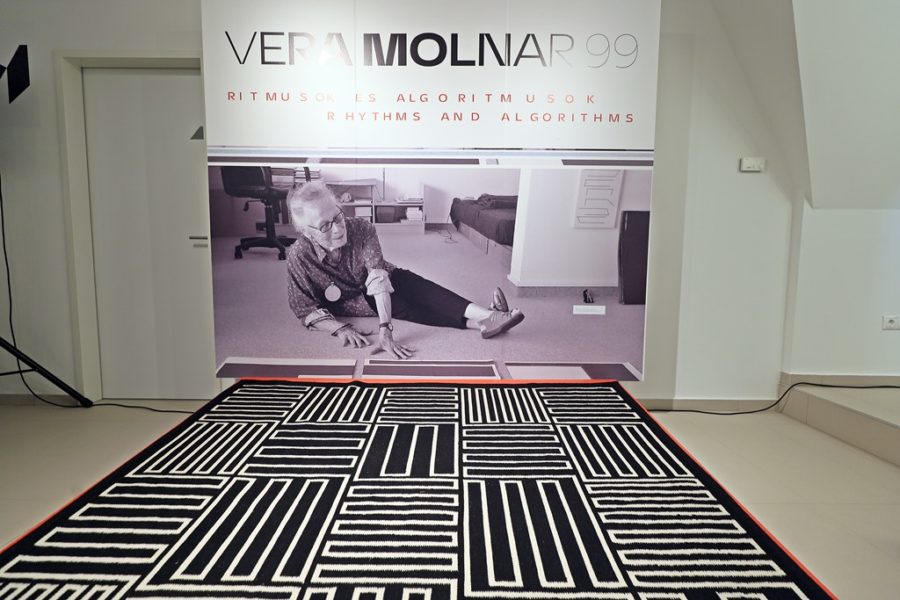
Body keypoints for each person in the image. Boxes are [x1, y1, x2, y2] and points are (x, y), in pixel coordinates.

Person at [286, 182, 524, 359]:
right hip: (351, 301)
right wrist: (339, 328)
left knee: (416, 286)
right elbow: (303, 308)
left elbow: (378, 278)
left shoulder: (361, 228)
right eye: (324, 226)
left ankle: (486, 316)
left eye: (338, 217)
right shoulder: (299, 255)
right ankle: (482, 322)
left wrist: (385, 328)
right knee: (405, 307)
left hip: (377, 278)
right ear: (306, 232)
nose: (338, 229)